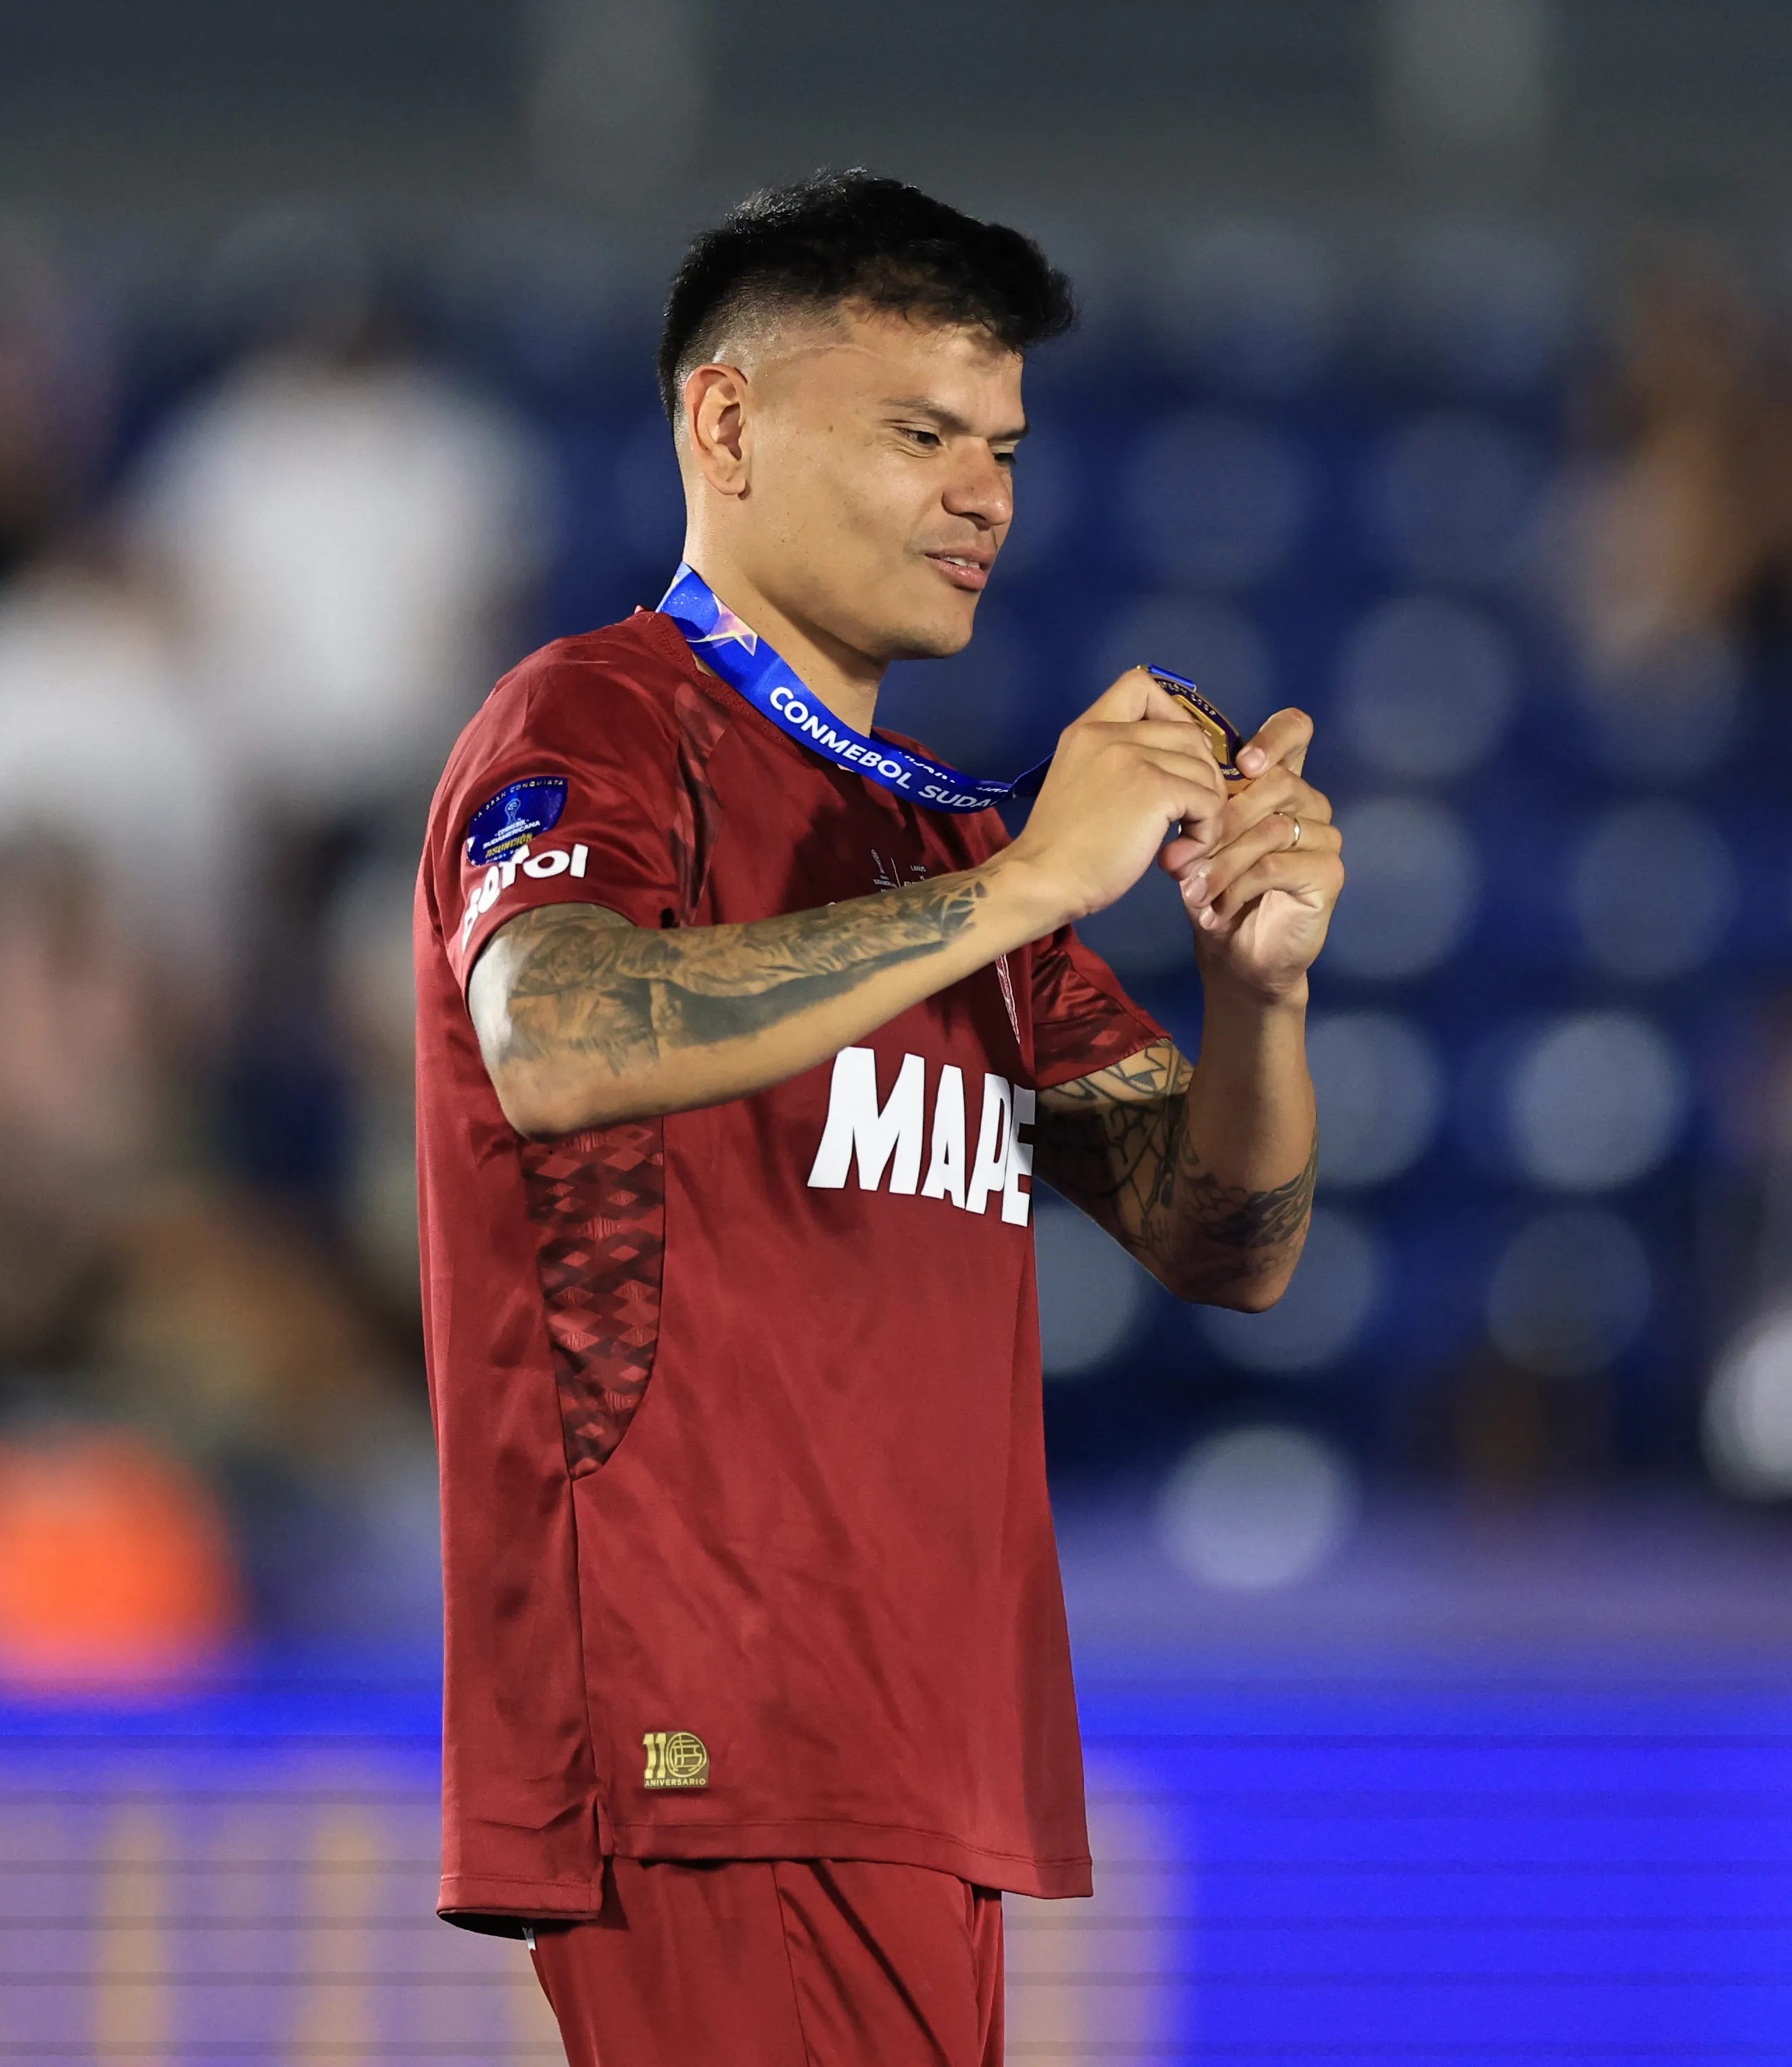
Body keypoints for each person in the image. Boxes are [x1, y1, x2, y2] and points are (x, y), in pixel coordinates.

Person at [412, 172, 1345, 2064]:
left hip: (911, 1746)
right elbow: (560, 1036)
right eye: (917, 434)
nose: (983, 495)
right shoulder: (594, 719)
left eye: (999, 445)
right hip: (705, 1724)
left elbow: (1219, 1238)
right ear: (725, 423)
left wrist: (1257, 988)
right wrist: (1021, 889)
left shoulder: (934, 832)